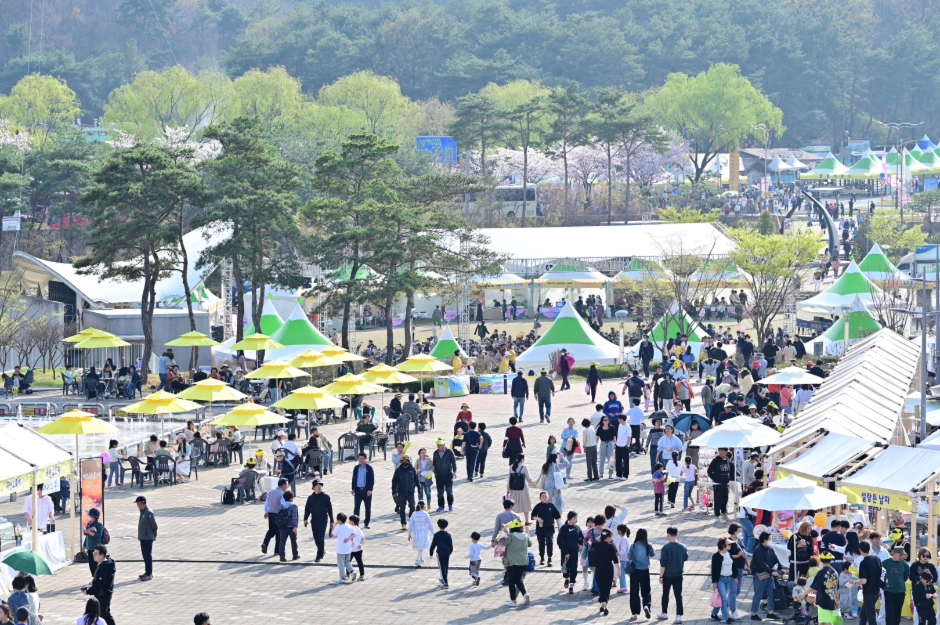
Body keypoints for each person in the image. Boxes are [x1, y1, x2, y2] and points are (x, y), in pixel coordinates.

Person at [499, 519, 532, 607]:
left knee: (512, 581)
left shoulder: (511, 536)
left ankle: (513, 601)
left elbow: (501, 541)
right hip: (523, 561)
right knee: (518, 579)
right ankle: (525, 594)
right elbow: (530, 544)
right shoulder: (525, 536)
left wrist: (503, 530)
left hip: (512, 561)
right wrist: (528, 533)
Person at [750, 531, 782, 620]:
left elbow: (775, 558)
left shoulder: (769, 548)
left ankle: (770, 612)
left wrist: (780, 567)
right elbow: (762, 563)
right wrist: (772, 571)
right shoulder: (758, 550)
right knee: (758, 594)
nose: (771, 540)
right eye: (770, 539)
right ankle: (754, 613)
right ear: (764, 540)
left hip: (769, 574)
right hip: (760, 575)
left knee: (772, 593)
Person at [83, 545, 115, 625]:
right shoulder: (106, 564)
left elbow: (99, 584)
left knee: (102, 616)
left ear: (102, 555)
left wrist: (88, 591)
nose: (93, 555)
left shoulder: (103, 568)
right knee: (107, 615)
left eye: (96, 554)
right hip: (106, 593)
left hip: (103, 595)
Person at [303, 480, 333, 562]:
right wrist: (305, 519)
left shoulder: (325, 497)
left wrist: (332, 520)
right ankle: (322, 550)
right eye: (317, 485)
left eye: (320, 485)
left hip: (323, 519)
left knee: (320, 537)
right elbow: (307, 509)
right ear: (313, 487)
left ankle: (319, 555)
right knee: (316, 538)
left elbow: (330, 509)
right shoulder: (310, 498)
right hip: (314, 520)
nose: (319, 486)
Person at [628, 528, 655, 619]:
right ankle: (646, 605)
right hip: (645, 571)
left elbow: (629, 556)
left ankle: (634, 613)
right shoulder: (648, 546)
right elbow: (653, 554)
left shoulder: (634, 546)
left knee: (634, 592)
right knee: (646, 591)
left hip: (635, 571)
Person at [592, 528, 619, 617]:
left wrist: (601, 536)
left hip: (599, 568)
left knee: (601, 587)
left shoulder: (596, 545)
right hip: (608, 569)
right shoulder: (610, 546)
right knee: (607, 587)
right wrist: (618, 570)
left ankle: (603, 605)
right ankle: (605, 606)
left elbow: (594, 541)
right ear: (608, 537)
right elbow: (615, 559)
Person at [810, 551, 840, 625]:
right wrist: (837, 600)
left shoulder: (821, 572)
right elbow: (837, 588)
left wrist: (803, 593)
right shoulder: (835, 572)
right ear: (831, 560)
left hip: (823, 600)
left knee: (827, 622)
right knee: (822, 622)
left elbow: (813, 586)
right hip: (832, 600)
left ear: (820, 560)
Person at [711, 538, 736, 624]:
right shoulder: (716, 556)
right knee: (724, 598)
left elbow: (733, 567)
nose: (730, 546)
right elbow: (714, 570)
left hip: (728, 578)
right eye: (728, 544)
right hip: (720, 579)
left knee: (722, 598)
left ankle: (714, 613)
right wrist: (714, 582)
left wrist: (735, 577)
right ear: (723, 545)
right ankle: (727, 617)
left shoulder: (729, 554)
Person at [884, 546, 911, 625]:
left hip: (900, 591)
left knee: (897, 612)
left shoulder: (905, 564)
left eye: (903, 555)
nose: (902, 557)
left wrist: (900, 582)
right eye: (900, 555)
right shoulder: (885, 563)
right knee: (889, 612)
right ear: (894, 554)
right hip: (888, 590)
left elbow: (905, 576)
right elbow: (881, 574)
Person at [558, 511, 583, 593]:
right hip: (565, 551)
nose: (576, 519)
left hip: (574, 551)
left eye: (577, 517)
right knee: (564, 567)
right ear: (570, 518)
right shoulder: (564, 528)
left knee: (574, 568)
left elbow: (581, 538)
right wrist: (565, 552)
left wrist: (581, 544)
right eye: (575, 518)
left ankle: (571, 585)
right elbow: (560, 541)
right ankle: (566, 578)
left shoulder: (577, 528)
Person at [262, 478, 288, 555]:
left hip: (271, 513)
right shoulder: (282, 494)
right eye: (286, 484)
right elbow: (282, 504)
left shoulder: (271, 492)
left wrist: (266, 511)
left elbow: (267, 502)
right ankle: (277, 550)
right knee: (279, 532)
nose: (287, 486)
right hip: (278, 514)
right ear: (283, 485)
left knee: (271, 530)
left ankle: (265, 543)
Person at [391, 454, 418, 530]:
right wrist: (394, 490)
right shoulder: (398, 470)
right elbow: (394, 481)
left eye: (407, 461)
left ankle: (411, 518)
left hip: (410, 492)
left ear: (409, 462)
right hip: (401, 492)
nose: (405, 462)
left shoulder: (412, 470)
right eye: (404, 461)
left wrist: (419, 488)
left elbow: (416, 480)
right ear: (402, 461)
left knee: (412, 506)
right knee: (402, 509)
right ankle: (403, 523)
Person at [506, 455, 535, 524]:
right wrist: (533, 484)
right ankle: (527, 520)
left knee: (513, 504)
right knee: (525, 503)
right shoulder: (524, 467)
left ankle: (513, 521)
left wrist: (508, 488)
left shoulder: (511, 467)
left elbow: (509, 479)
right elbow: (528, 478)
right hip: (522, 489)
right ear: (522, 459)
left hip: (513, 488)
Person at [707, 448, 734, 523]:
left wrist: (729, 478)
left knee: (725, 499)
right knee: (718, 500)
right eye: (720, 451)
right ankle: (717, 516)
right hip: (718, 484)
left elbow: (730, 472)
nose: (721, 453)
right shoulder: (716, 460)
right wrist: (714, 478)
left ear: (726, 452)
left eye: (722, 451)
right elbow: (709, 471)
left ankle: (723, 513)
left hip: (725, 483)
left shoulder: (728, 461)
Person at [135, 495, 157, 582]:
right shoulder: (142, 511)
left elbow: (154, 525)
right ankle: (146, 571)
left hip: (148, 537)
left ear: (141, 503)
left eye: (137, 503)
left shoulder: (148, 512)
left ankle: (149, 574)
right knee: (145, 555)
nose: (137, 505)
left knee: (148, 556)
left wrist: (154, 535)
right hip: (143, 537)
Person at [432, 438, 457, 512]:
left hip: (448, 474)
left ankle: (450, 505)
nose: (438, 446)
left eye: (440, 445)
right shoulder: (435, 453)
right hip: (439, 475)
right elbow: (434, 463)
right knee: (440, 492)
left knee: (449, 490)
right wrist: (434, 472)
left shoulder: (449, 452)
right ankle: (441, 506)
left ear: (444, 445)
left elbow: (453, 462)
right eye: (437, 445)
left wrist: (454, 471)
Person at [331, 513, 357, 583]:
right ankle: (352, 571)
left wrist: (335, 525)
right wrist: (349, 539)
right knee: (347, 561)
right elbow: (354, 534)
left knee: (341, 563)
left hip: (341, 548)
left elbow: (332, 534)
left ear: (339, 520)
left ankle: (342, 578)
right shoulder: (349, 526)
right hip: (348, 548)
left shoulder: (339, 527)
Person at [408, 500, 435, 566]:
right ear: (423, 506)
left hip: (416, 532)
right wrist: (433, 533)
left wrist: (409, 533)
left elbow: (410, 524)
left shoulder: (414, 514)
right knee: (422, 546)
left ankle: (421, 559)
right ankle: (417, 560)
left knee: (419, 545)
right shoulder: (425, 514)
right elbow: (430, 524)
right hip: (424, 531)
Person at [350, 453, 374, 529]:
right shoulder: (356, 468)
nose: (360, 460)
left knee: (367, 507)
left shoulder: (369, 468)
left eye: (362, 458)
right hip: (358, 491)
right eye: (359, 458)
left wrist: (370, 490)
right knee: (356, 507)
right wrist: (353, 489)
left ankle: (366, 523)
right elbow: (354, 479)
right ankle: (355, 523)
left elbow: (372, 480)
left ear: (365, 459)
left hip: (366, 491)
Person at [429, 518, 454, 589]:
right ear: (446, 526)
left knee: (442, 567)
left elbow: (433, 545)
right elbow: (451, 544)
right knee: (446, 566)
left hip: (440, 553)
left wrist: (431, 553)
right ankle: (444, 579)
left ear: (438, 526)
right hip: (447, 552)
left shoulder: (437, 535)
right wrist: (450, 552)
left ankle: (445, 583)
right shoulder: (448, 534)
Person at [83, 508, 104, 575]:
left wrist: (90, 532)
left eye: (90, 515)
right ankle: (94, 578)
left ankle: (96, 578)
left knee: (95, 564)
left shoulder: (98, 524)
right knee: (91, 564)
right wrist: (84, 545)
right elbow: (87, 536)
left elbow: (99, 535)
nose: (88, 516)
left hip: (96, 548)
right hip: (89, 547)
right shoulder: (89, 524)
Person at [348, 515, 366, 581]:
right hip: (359, 549)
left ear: (352, 522)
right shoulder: (359, 529)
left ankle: (348, 574)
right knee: (360, 562)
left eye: (349, 521)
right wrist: (361, 544)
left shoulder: (350, 529)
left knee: (348, 562)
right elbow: (363, 538)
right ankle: (362, 575)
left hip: (351, 549)